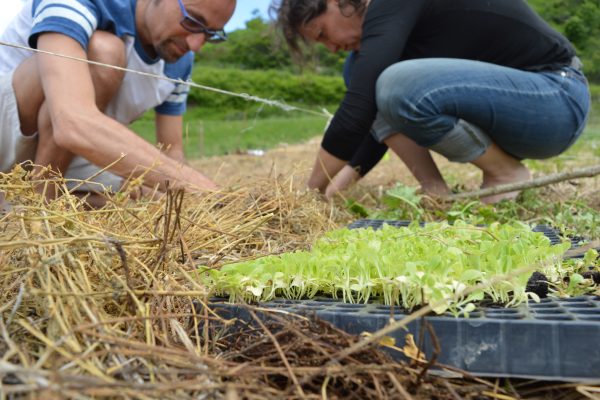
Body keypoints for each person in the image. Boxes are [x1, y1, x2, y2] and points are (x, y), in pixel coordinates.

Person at [272, 0, 591, 203]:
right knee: (360, 73)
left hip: (555, 97)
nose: (330, 47)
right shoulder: (384, 41)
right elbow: (374, 128)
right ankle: (435, 189)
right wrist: (331, 192)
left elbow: (357, 111)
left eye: (322, 33)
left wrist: (306, 195)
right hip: (511, 113)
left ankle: (505, 172)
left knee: (391, 83)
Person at [0, 0, 236, 206]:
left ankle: (20, 200)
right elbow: (72, 122)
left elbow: (172, 150)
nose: (196, 44)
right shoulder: (89, 3)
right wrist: (206, 192)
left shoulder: (180, 62)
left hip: (63, 154)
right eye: (193, 21)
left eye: (210, 34)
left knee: (146, 197)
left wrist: (191, 199)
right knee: (104, 51)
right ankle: (40, 205)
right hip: (10, 134)